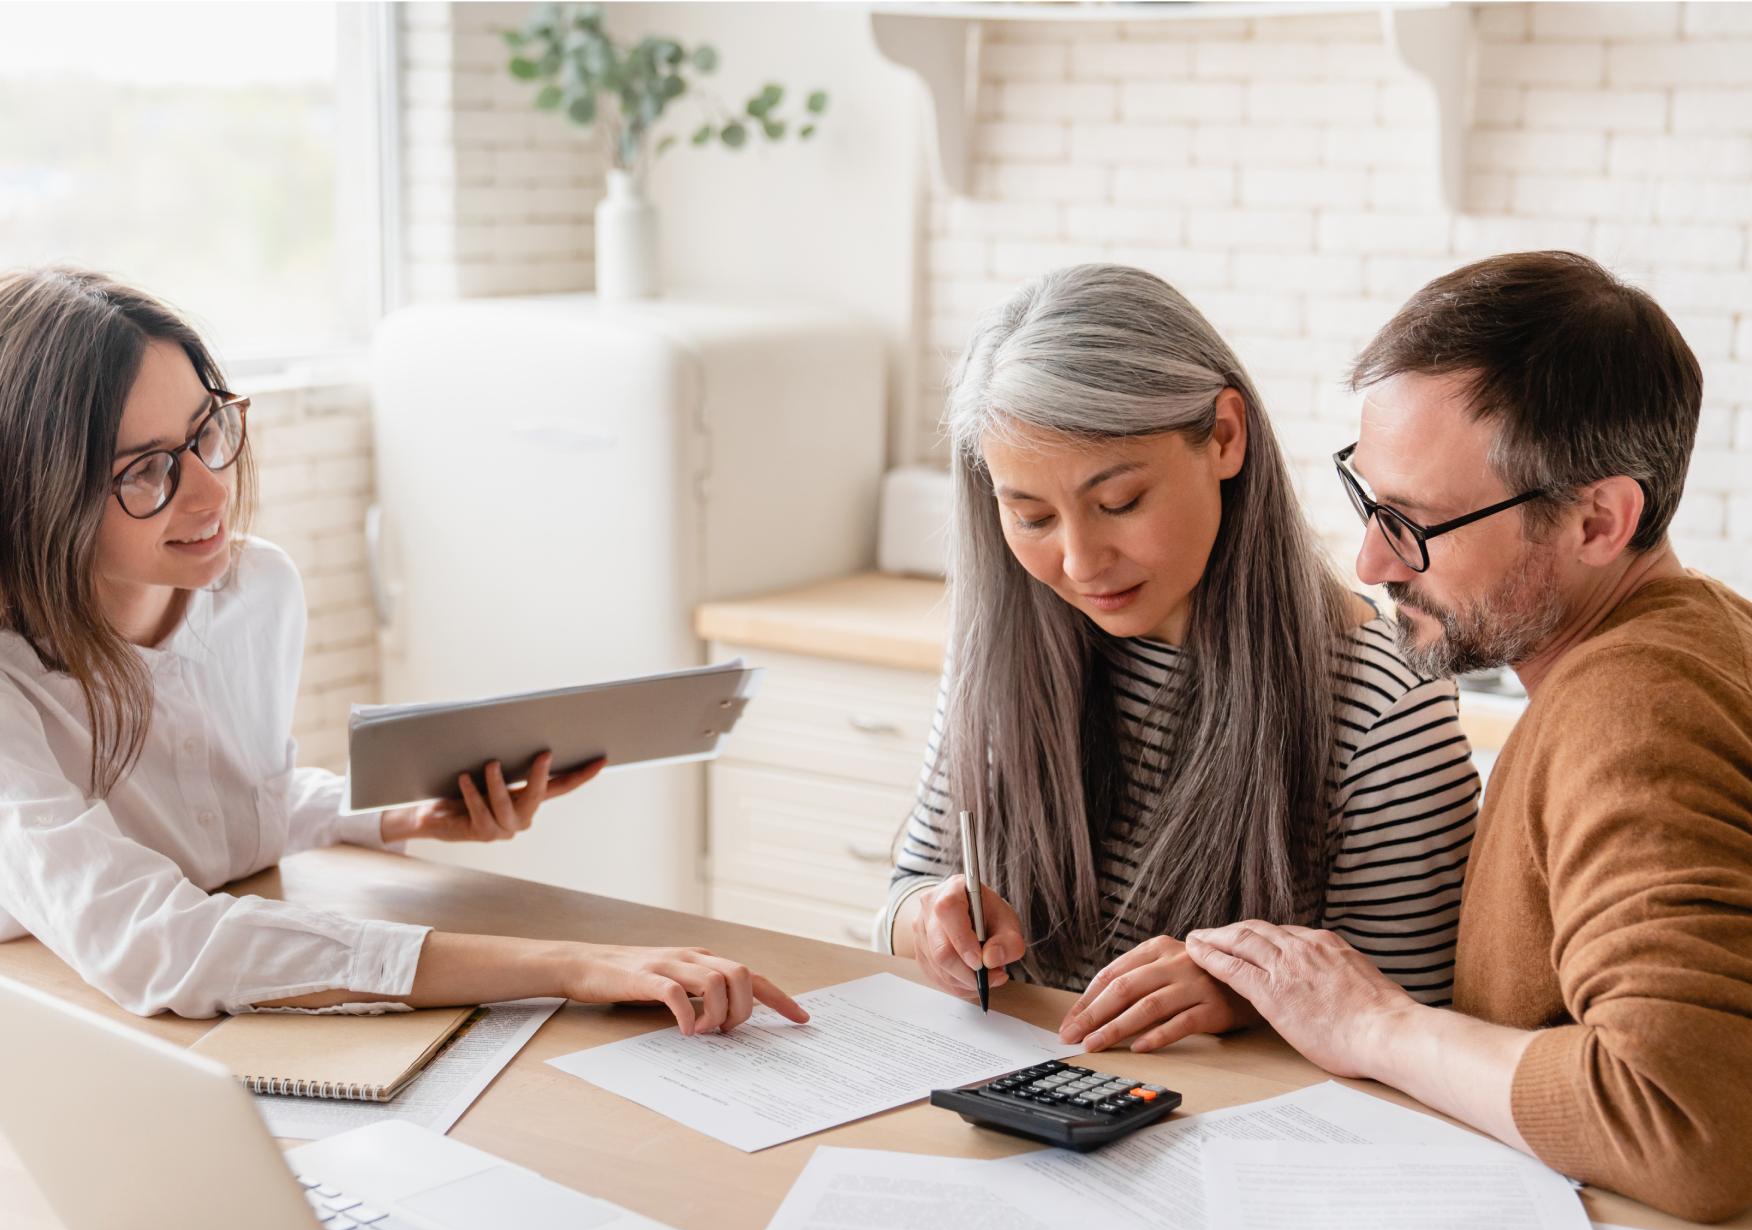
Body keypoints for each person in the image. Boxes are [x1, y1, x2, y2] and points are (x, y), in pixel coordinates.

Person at [0, 266, 804, 1034]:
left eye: (208, 429)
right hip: (61, 1031)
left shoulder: (255, 592)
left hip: (225, 1016)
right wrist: (569, 965)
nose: (211, 490)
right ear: (39, 495)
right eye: (147, 473)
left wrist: (395, 815)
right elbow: (157, 944)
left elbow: (223, 812)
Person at [1184, 250, 1752, 1224]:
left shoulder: (1628, 706)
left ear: (1597, 520)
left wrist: (1376, 1025)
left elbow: (1683, 1122)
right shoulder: (1705, 632)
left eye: (1414, 522)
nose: (1370, 559)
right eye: (1371, 501)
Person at [879, 264, 1479, 1053]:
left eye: (1119, 503)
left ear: (1225, 436)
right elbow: (904, 894)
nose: (1081, 562)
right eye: (1029, 517)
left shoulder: (1382, 702)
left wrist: (1249, 995)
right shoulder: (1002, 648)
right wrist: (932, 922)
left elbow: (1416, 1019)